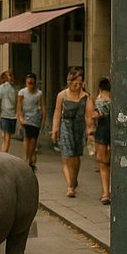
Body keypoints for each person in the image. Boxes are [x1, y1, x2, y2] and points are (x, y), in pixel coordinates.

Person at [51, 68, 95, 197]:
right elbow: (57, 112)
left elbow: (89, 116)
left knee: (76, 156)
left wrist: (90, 131)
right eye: (74, 81)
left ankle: (73, 179)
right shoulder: (62, 95)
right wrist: (55, 129)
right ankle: (70, 186)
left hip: (79, 128)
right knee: (67, 155)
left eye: (79, 82)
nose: (77, 84)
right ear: (69, 81)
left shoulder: (86, 98)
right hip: (66, 126)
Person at [17, 73, 44, 168]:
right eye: (29, 83)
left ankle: (29, 157)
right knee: (26, 138)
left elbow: (43, 106)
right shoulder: (22, 92)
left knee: (33, 139)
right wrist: (20, 117)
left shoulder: (39, 93)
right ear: (26, 83)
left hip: (36, 118)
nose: (30, 84)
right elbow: (19, 106)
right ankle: (28, 157)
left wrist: (43, 120)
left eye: (32, 83)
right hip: (26, 118)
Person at [93, 77, 112, 205]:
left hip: (102, 130)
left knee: (102, 163)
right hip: (114, 130)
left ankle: (105, 193)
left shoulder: (98, 100)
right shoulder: (114, 99)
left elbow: (94, 116)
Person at [0, 70, 17, 153]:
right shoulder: (3, 88)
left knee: (6, 134)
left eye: (11, 75)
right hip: (6, 114)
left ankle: (4, 150)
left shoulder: (13, 88)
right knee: (6, 135)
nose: (11, 77)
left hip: (10, 114)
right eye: (9, 75)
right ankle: (4, 151)